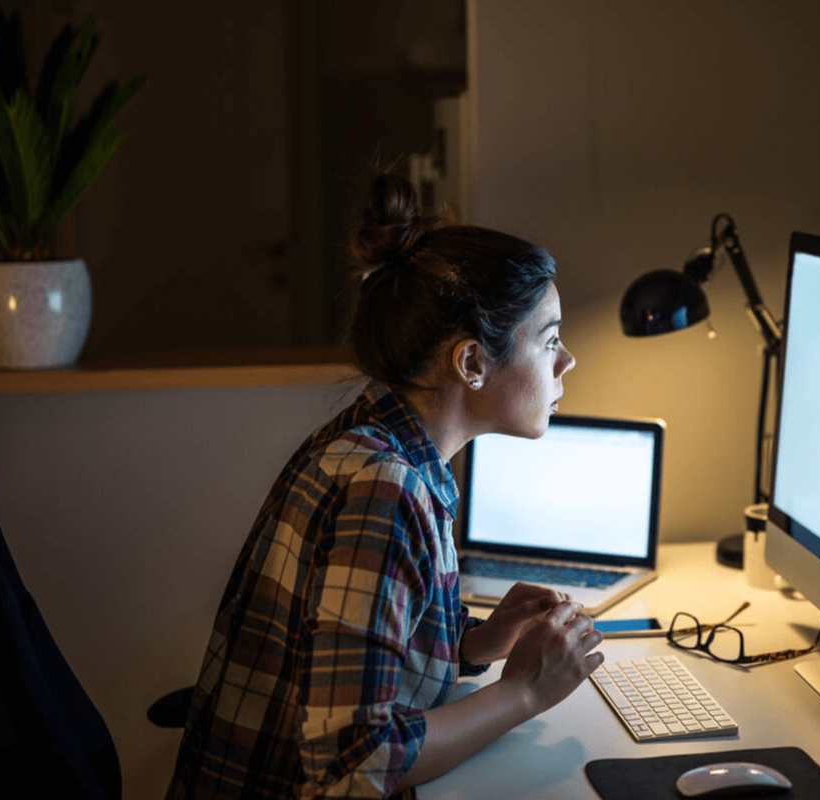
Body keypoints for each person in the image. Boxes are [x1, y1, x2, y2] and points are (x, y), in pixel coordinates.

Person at [165, 173, 603, 799]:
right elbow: (351, 766)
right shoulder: (386, 489)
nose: (567, 361)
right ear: (472, 363)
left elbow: (367, 652)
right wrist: (523, 692)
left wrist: (476, 642)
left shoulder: (385, 435)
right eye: (550, 338)